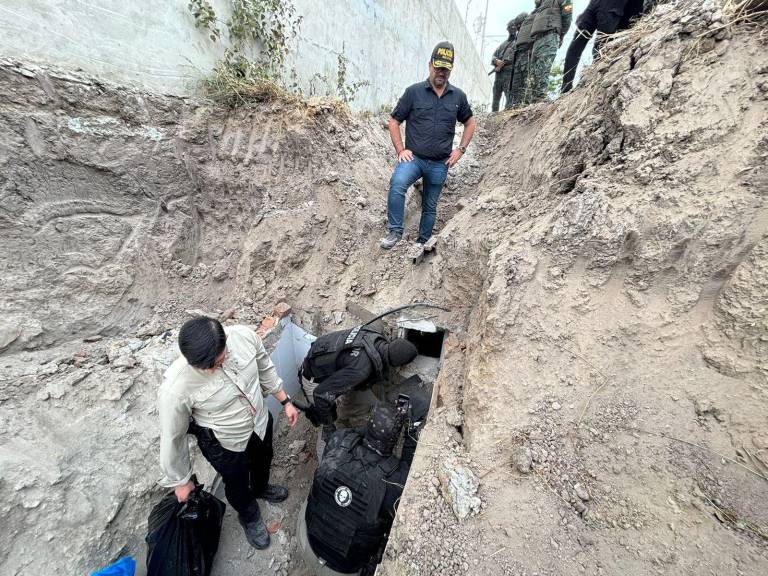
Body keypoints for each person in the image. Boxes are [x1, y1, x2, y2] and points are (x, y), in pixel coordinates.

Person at [157, 317, 300, 550]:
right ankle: (249, 516)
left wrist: (284, 400)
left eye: (219, 361)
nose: (214, 368)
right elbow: (172, 437)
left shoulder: (243, 337)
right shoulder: (176, 388)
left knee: (264, 458)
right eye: (208, 367)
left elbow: (264, 366)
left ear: (225, 342)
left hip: (259, 421)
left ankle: (261, 488)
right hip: (225, 441)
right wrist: (181, 481)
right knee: (237, 482)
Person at [298, 399, 427, 575]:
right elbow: (411, 471)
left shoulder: (338, 441)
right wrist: (411, 430)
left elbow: (351, 434)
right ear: (394, 441)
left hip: (308, 542)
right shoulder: (393, 483)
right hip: (344, 569)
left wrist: (376, 427)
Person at [379, 41, 477, 251]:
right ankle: (395, 231)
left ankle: (422, 242)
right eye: (438, 66)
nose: (441, 72)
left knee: (430, 206)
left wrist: (461, 150)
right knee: (397, 184)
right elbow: (394, 121)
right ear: (430, 65)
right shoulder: (413, 92)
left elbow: (470, 122)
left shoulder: (458, 97)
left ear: (450, 69)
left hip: (440, 163)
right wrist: (400, 149)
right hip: (414, 159)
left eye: (446, 68)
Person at [299, 325, 418, 441]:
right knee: (327, 424)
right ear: (396, 364)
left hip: (337, 368)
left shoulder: (375, 335)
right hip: (315, 380)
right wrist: (329, 428)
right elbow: (320, 395)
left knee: (356, 402)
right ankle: (326, 456)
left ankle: (344, 418)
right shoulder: (360, 370)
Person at [561, 0, 645, 93]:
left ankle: (591, 83)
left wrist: (629, 22)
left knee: (597, 48)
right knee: (577, 46)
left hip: (611, 9)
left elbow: (636, 6)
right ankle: (566, 88)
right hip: (597, 7)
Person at [528, 0, 573, 103]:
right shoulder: (541, 5)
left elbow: (567, 17)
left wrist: (561, 35)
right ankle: (534, 100)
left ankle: (540, 98)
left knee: (543, 68)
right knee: (534, 72)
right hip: (537, 39)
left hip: (550, 35)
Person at [490, 16, 523, 112]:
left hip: (509, 74)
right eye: (510, 27)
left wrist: (504, 63)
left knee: (509, 96)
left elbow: (517, 57)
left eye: (513, 27)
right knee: (496, 96)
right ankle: (493, 115)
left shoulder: (518, 42)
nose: (512, 29)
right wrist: (496, 61)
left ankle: (507, 114)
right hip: (499, 74)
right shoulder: (503, 44)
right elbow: (493, 57)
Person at [510, 11, 537, 106]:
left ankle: (526, 104)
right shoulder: (520, 34)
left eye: (519, 24)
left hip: (528, 54)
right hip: (519, 57)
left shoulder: (532, 24)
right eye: (517, 25)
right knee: (516, 85)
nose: (517, 27)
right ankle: (515, 105)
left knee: (527, 82)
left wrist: (532, 50)